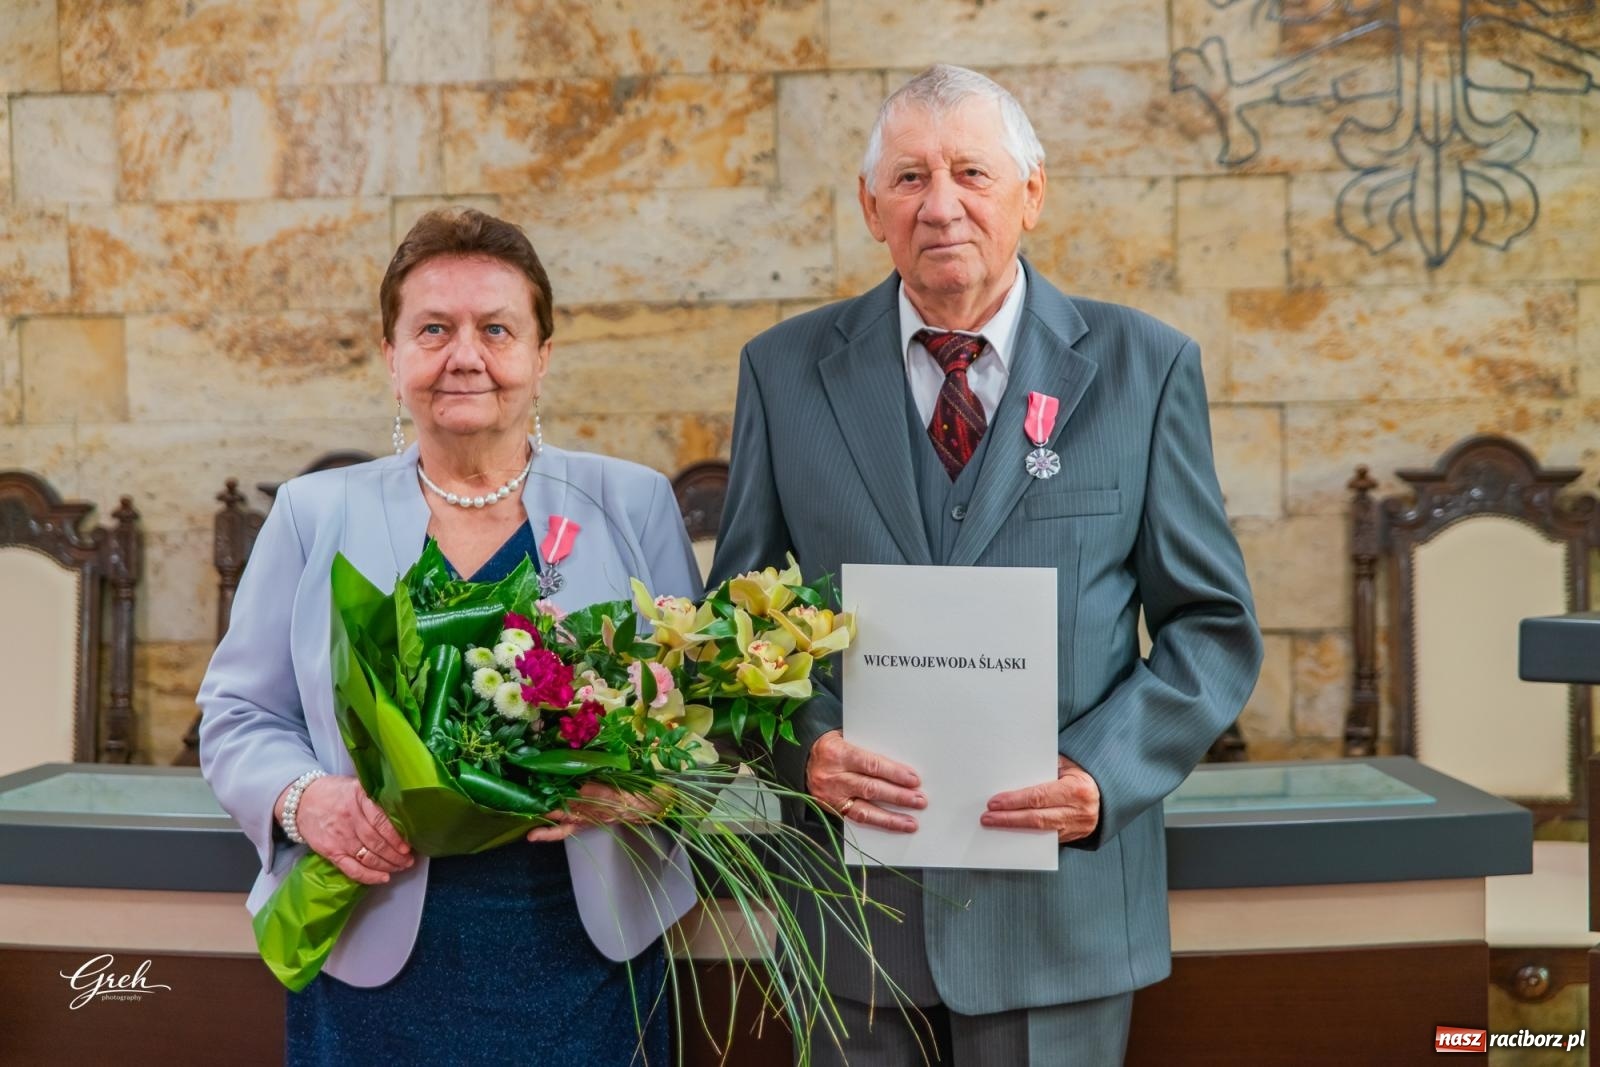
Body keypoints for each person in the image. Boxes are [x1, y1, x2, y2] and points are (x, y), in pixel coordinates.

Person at [711, 65, 1264, 1065]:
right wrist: (806, 746)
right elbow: (732, 629)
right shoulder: (782, 371)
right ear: (870, 206)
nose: (942, 204)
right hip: (851, 918)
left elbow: (1210, 628)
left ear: (1031, 195)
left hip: (1059, 916)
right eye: (911, 177)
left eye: (971, 171)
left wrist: (1103, 771)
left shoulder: (1146, 368)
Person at [198, 208, 702, 1064]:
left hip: (585, 954)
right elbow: (239, 714)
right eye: (433, 329)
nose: (464, 354)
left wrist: (652, 785)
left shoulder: (634, 504)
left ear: (541, 357)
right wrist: (303, 798)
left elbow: (701, 715)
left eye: (496, 329)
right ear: (392, 356)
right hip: (373, 951)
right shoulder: (315, 513)